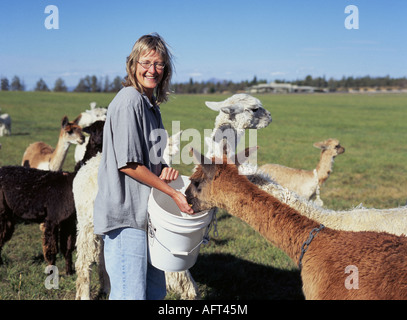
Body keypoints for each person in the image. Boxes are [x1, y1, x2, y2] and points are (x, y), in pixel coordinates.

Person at [93, 33, 194, 300]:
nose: (152, 70)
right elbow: (129, 164)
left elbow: (153, 161)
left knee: (154, 293)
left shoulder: (151, 106)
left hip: (146, 217)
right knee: (130, 295)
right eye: (146, 62)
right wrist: (172, 193)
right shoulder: (129, 100)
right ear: (133, 64)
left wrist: (166, 170)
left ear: (166, 70)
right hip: (126, 217)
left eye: (159, 64)